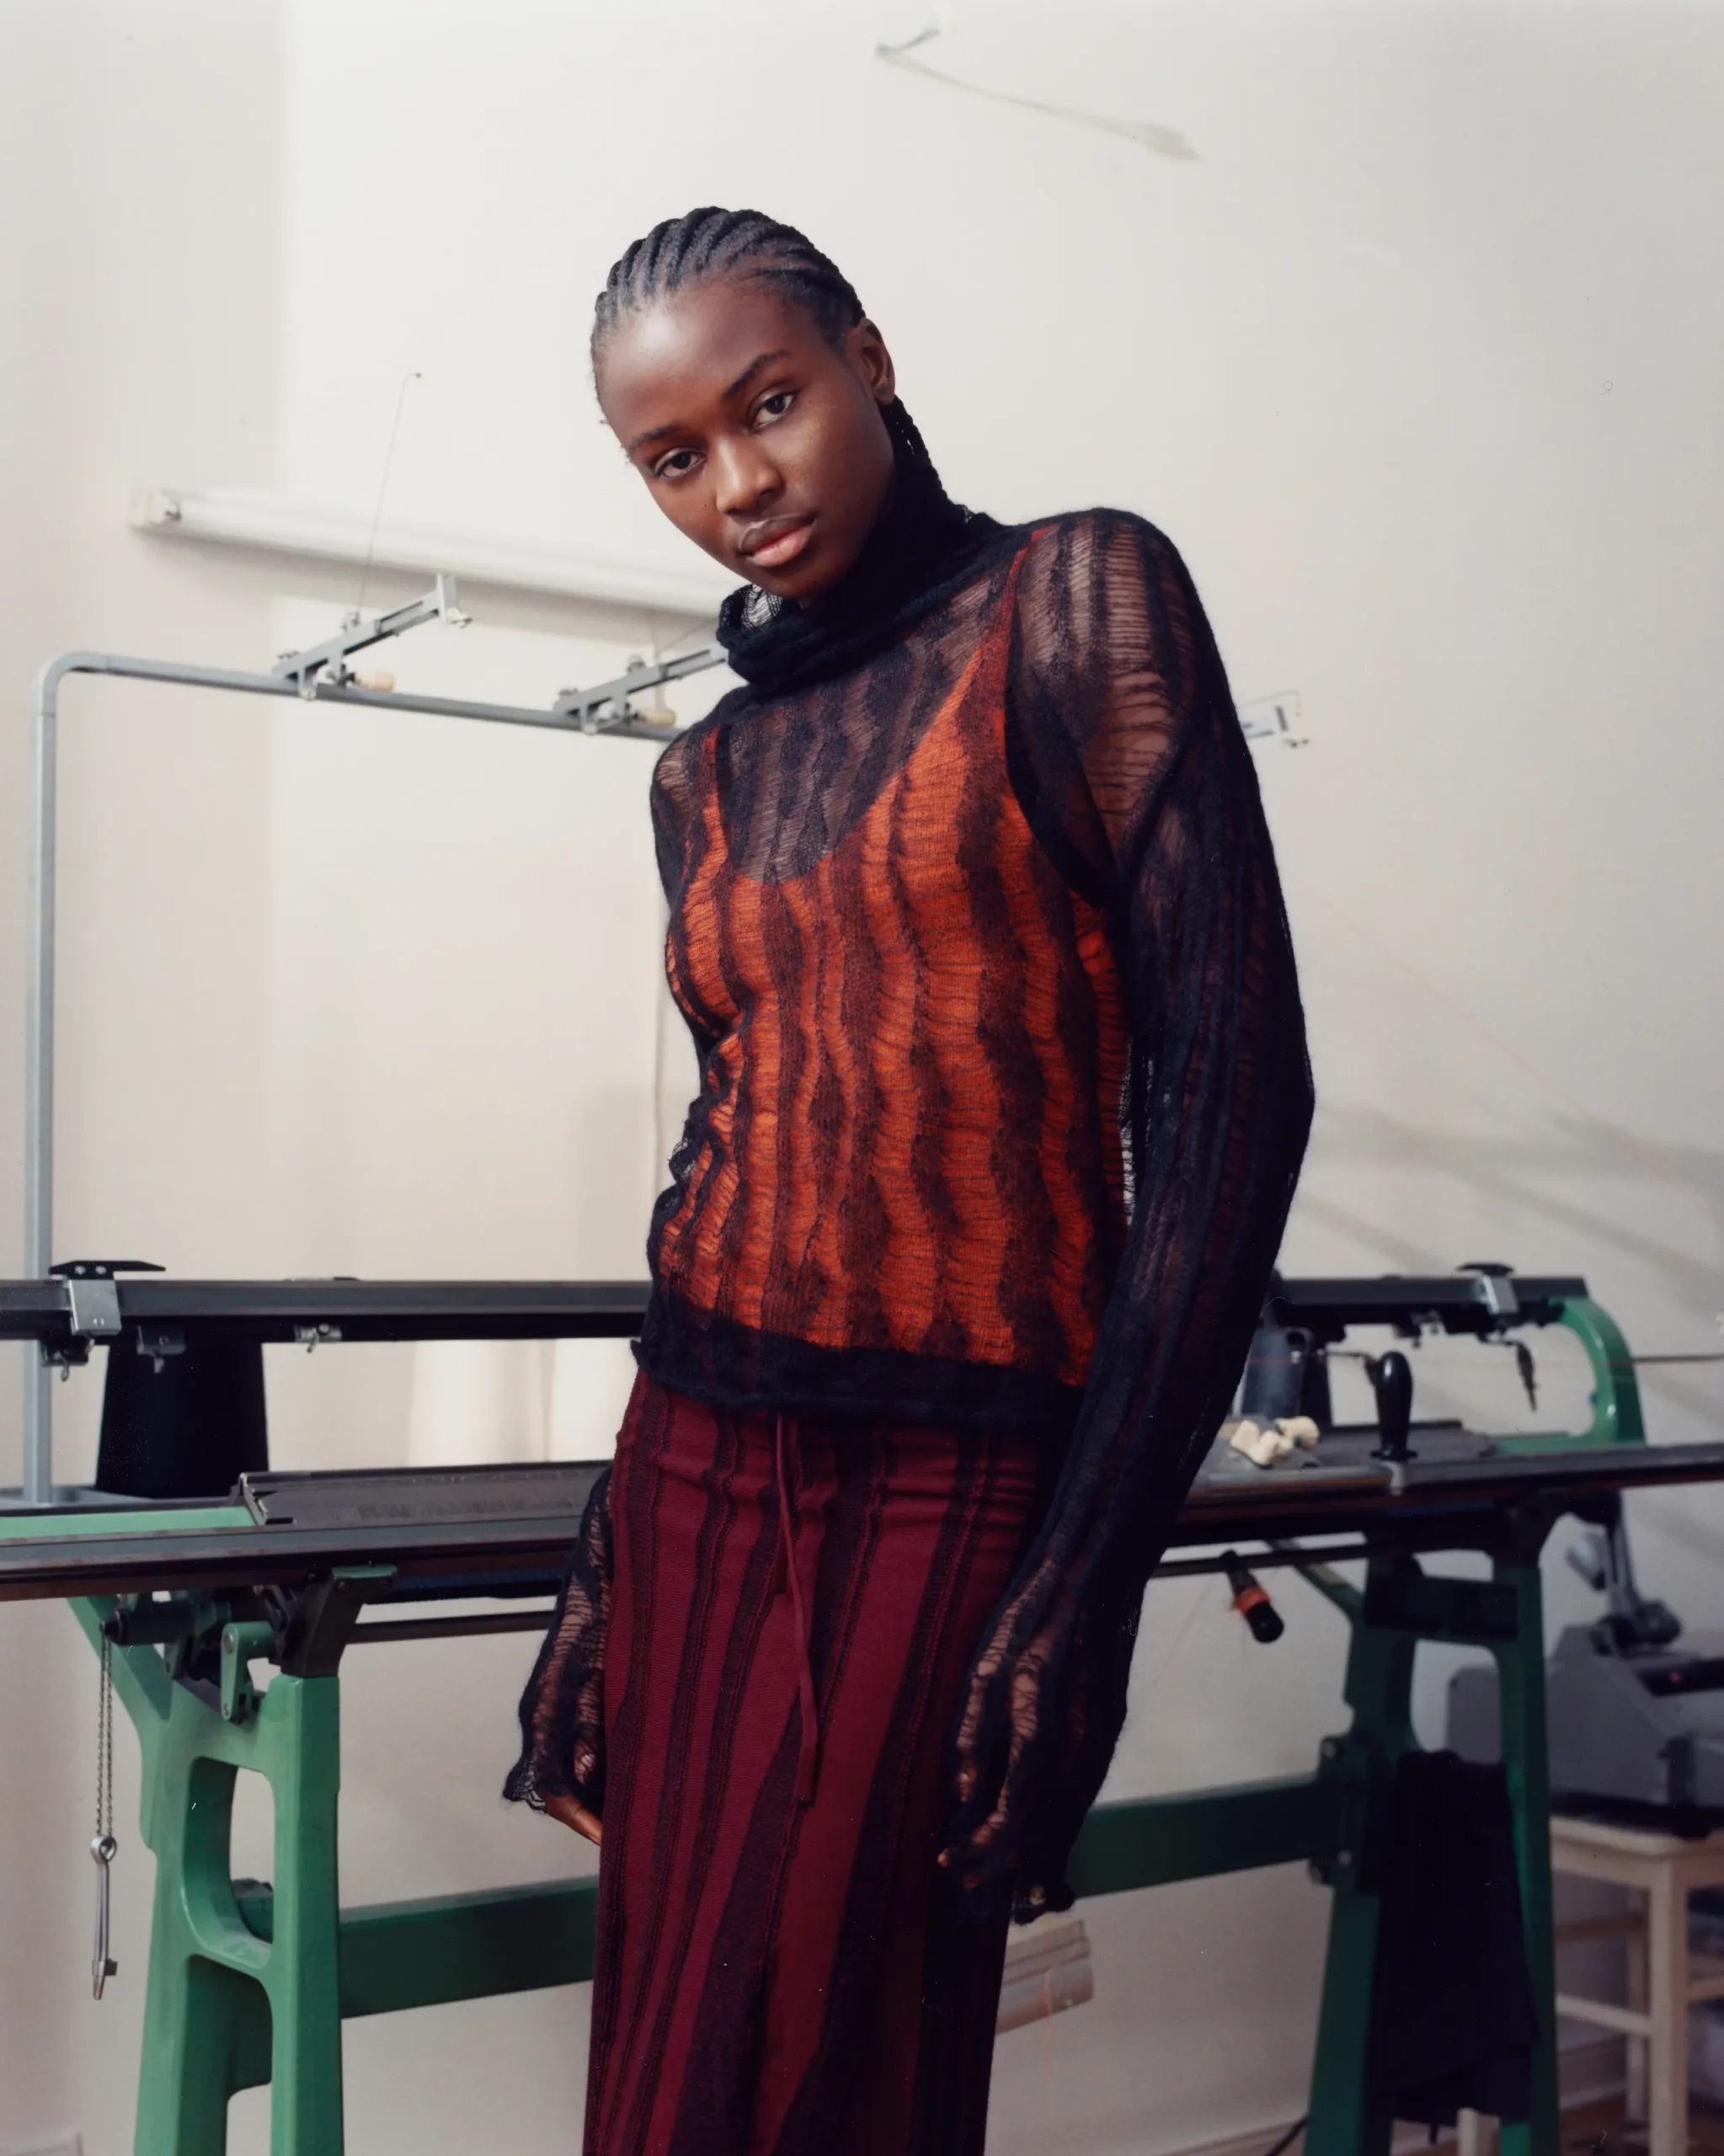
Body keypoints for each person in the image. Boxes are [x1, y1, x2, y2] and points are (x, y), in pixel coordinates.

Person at [506, 206, 1314, 2156]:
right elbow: (738, 1139)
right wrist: (606, 1563)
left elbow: (1229, 1089)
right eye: (674, 456)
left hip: (958, 1465)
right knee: (668, 2047)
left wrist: (1084, 1588)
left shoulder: (1076, 602)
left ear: (866, 352)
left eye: (769, 401)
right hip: (699, 1458)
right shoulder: (701, 774)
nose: (741, 482)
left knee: (830, 2057)